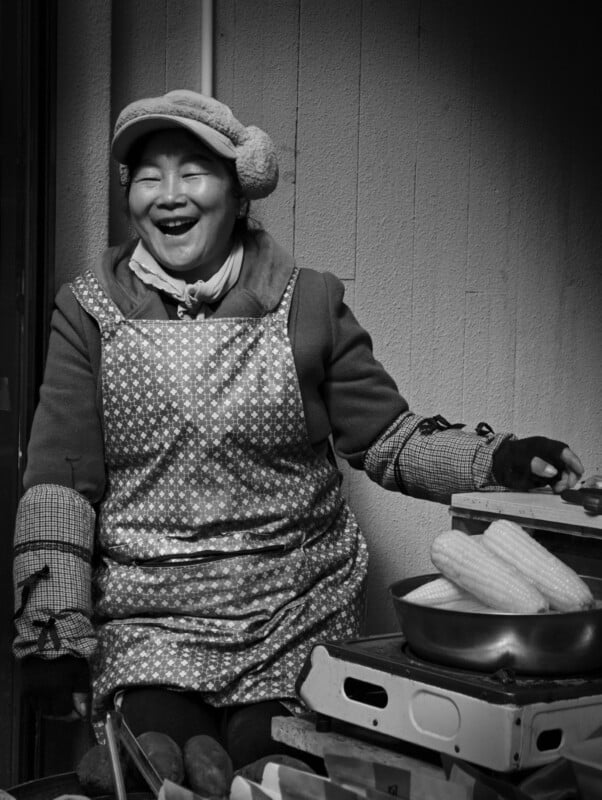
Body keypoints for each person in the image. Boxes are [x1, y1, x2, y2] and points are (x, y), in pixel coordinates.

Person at [13, 90, 584, 770]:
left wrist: (501, 460)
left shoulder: (305, 299)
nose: (168, 194)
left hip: (293, 608)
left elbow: (387, 439)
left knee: (276, 764)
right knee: (161, 760)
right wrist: (52, 627)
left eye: (192, 171)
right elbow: (61, 482)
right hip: (150, 616)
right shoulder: (89, 310)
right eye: (147, 175)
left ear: (239, 189)